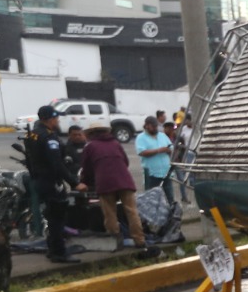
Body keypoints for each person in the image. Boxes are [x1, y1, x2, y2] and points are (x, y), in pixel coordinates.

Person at [22, 104, 89, 264]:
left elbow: (30, 159)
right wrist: (74, 183)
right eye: (56, 117)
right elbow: (56, 164)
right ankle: (59, 253)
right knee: (58, 218)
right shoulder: (48, 137)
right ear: (49, 119)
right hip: (51, 181)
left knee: (52, 216)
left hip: (39, 180)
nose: (58, 120)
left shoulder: (32, 134)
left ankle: (53, 250)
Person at [79, 123, 155, 257]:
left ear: (90, 134)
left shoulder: (90, 146)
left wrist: (85, 182)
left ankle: (114, 241)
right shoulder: (115, 143)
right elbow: (125, 162)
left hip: (105, 183)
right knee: (132, 212)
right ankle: (140, 240)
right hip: (125, 181)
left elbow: (86, 168)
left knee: (110, 213)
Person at [135, 115, 174, 203]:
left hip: (166, 172)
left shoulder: (162, 135)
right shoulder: (141, 138)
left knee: (169, 198)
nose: (155, 128)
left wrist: (168, 150)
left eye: (156, 126)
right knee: (152, 200)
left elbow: (171, 148)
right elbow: (142, 152)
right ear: (147, 126)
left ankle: (170, 211)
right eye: (153, 126)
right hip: (152, 174)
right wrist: (158, 150)